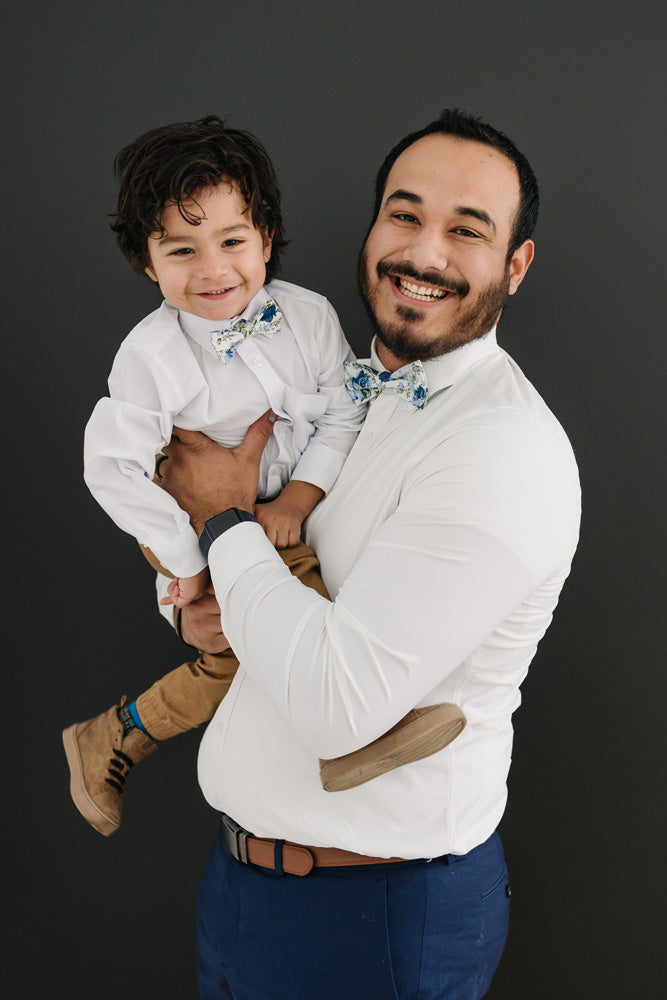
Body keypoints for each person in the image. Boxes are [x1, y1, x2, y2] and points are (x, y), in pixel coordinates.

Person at [156, 109, 582, 999]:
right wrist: (197, 602)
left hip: (372, 918)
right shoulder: (339, 391)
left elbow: (335, 703)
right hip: (246, 888)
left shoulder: (500, 449)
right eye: (404, 214)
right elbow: (274, 590)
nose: (423, 253)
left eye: (466, 230)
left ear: (515, 266)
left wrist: (223, 522)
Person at [62, 116, 465, 838]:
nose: (213, 270)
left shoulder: (306, 319)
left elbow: (343, 413)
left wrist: (299, 498)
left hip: (280, 511)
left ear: (267, 238)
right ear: (147, 264)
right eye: (180, 251)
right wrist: (189, 563)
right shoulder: (151, 357)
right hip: (184, 522)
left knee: (231, 658)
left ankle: (118, 732)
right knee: (297, 605)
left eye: (232, 242)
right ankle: (351, 732)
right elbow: (115, 470)